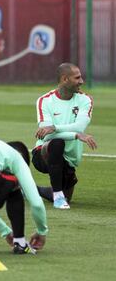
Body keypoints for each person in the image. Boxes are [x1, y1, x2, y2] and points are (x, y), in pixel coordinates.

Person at [33, 63, 97, 210]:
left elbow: (80, 126)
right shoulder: (45, 100)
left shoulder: (85, 100)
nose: (82, 81)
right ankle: (57, 195)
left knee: (67, 196)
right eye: (77, 78)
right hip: (43, 153)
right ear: (64, 79)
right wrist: (75, 136)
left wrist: (55, 127)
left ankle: (31, 189)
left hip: (69, 159)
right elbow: (47, 136)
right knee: (56, 143)